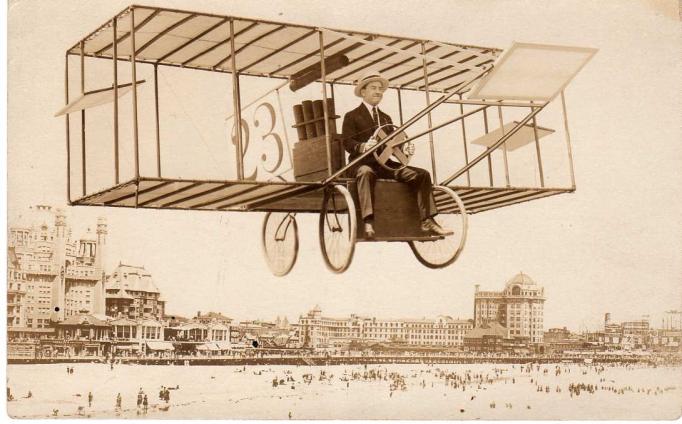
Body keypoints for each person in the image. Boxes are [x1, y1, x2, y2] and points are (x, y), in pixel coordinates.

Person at [341, 70, 451, 237]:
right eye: (373, 88)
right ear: (363, 91)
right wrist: (363, 146)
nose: (378, 91)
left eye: (380, 89)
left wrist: (404, 150)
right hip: (360, 163)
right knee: (366, 172)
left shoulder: (386, 118)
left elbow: (393, 145)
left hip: (385, 164)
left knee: (421, 175)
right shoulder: (352, 116)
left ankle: (427, 220)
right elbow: (347, 143)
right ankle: (368, 222)